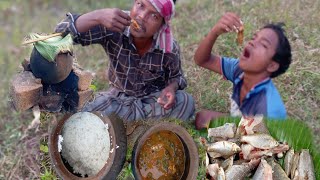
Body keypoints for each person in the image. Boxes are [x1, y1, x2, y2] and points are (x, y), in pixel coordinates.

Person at [54, 0, 195, 121]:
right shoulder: (114, 25)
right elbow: (59, 35)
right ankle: (137, 126)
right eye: (141, 5)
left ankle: (126, 127)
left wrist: (171, 88)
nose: (141, 16)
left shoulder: (168, 46)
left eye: (154, 15)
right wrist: (97, 16)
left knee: (185, 102)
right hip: (117, 101)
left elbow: (176, 77)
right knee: (79, 110)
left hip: (151, 102)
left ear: (162, 24)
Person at [194, 12, 292, 129]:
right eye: (254, 38)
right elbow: (202, 60)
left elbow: (263, 144)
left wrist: (223, 120)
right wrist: (215, 32)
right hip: (245, 128)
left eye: (264, 44)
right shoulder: (240, 71)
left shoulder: (269, 109)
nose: (252, 42)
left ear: (271, 65)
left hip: (258, 142)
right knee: (201, 118)